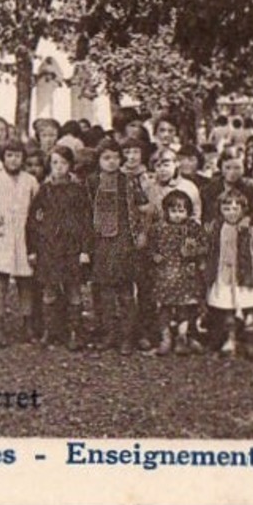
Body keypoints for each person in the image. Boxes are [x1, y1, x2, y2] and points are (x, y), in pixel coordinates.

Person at [28, 145, 91, 350]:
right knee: (50, 288)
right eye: (55, 163)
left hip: (71, 247)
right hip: (49, 247)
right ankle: (50, 330)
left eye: (63, 163)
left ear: (70, 166)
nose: (59, 167)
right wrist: (33, 249)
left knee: (73, 288)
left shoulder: (78, 190)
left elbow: (86, 221)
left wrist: (85, 250)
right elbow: (34, 222)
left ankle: (74, 331)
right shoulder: (44, 191)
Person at [0, 140, 38, 345]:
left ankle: (28, 324)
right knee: (0, 281)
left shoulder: (30, 181)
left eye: (17, 156)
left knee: (25, 281)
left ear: (23, 159)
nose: (13, 160)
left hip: (23, 236)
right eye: (9, 155)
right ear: (3, 158)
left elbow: (39, 207)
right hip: (2, 235)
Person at [89, 140, 148, 352]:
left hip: (124, 240)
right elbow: (85, 212)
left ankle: (127, 336)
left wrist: (141, 232)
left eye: (115, 157)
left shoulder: (129, 181)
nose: (111, 162)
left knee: (125, 289)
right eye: (106, 158)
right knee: (104, 290)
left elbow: (143, 208)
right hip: (100, 242)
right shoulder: (92, 181)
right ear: (99, 161)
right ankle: (108, 333)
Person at [206, 191, 253, 358]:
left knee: (250, 309)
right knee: (227, 310)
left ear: (244, 210)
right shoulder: (216, 228)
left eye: (236, 208)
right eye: (226, 208)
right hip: (224, 276)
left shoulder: (252, 230)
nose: (231, 212)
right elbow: (210, 251)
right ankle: (230, 340)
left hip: (246, 277)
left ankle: (251, 342)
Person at [146, 189, 207, 355]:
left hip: (186, 274)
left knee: (184, 308)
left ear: (188, 211)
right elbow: (149, 247)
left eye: (182, 211)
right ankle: (165, 338)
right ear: (166, 211)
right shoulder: (158, 228)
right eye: (173, 211)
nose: (178, 215)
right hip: (165, 274)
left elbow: (205, 246)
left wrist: (193, 252)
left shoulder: (193, 228)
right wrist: (154, 255)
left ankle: (182, 337)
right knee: (164, 307)